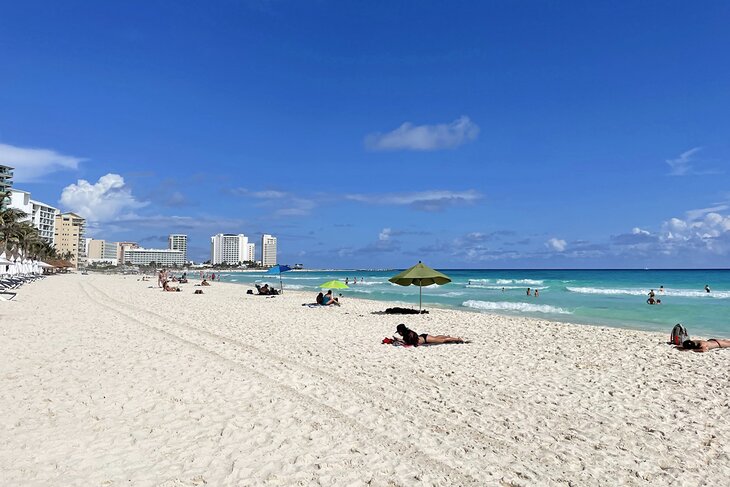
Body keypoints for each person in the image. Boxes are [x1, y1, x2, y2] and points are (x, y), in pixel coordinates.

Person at [395, 324, 464, 346]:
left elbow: (412, 342)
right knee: (436, 337)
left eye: (398, 332)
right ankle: (449, 337)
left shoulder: (408, 335)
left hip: (425, 339)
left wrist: (402, 341)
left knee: (442, 340)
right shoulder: (408, 333)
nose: (398, 333)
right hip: (423, 336)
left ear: (401, 331)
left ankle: (457, 339)